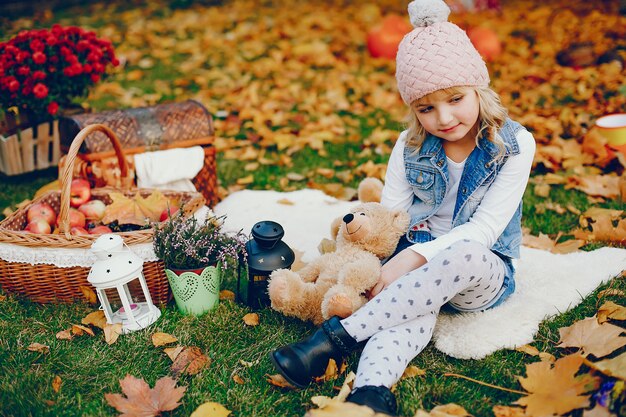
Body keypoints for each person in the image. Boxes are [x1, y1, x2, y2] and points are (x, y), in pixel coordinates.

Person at [270, 0, 536, 415]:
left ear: (479, 89)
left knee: (463, 253)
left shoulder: (514, 145)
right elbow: (389, 218)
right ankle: (372, 393)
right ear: (412, 109)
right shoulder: (410, 146)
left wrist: (409, 260)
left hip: (478, 271)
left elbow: (485, 229)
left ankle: (334, 339)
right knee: (411, 309)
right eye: (426, 108)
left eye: (456, 99)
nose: (444, 118)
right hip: (413, 268)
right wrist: (380, 259)